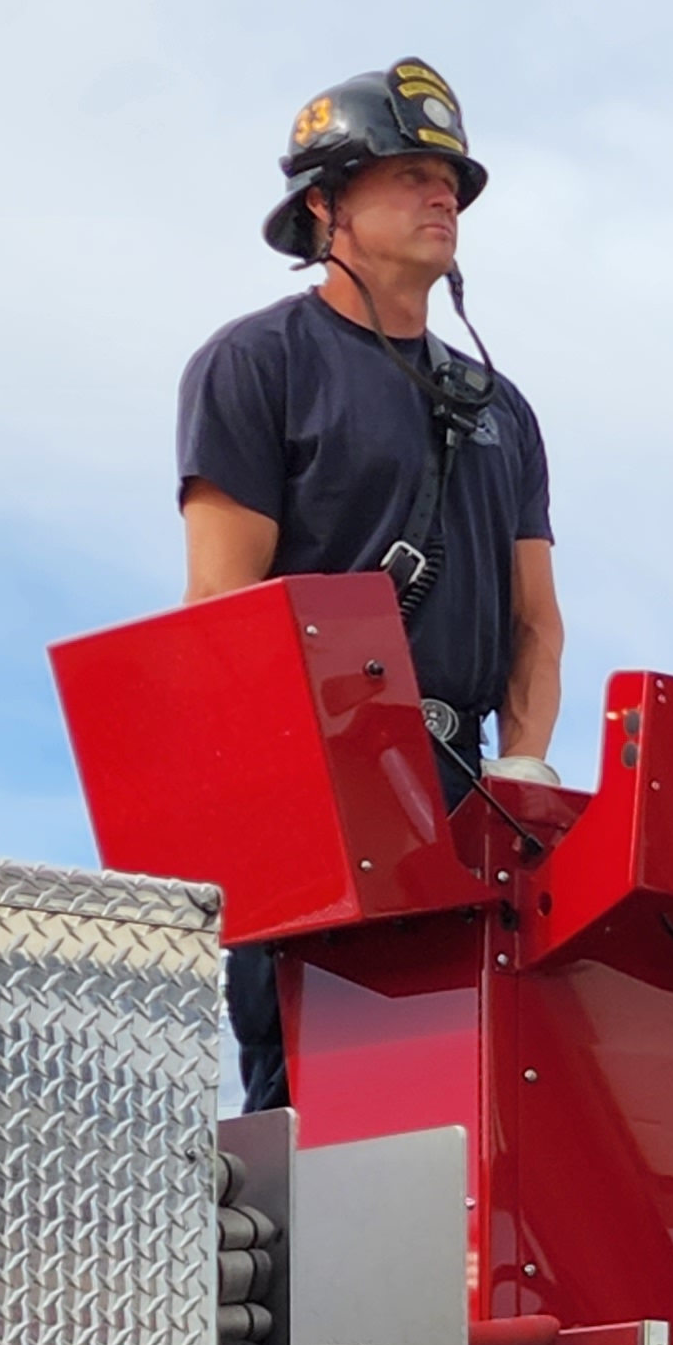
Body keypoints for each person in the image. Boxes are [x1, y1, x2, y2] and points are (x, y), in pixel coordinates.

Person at [176, 59, 564, 1110]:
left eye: (451, 179)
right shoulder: (258, 364)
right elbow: (220, 611)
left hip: (463, 783)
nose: (444, 195)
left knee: (468, 1110)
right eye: (408, 173)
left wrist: (525, 760)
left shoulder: (502, 409)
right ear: (325, 205)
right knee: (318, 1096)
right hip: (314, 772)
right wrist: (287, 806)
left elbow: (537, 624)